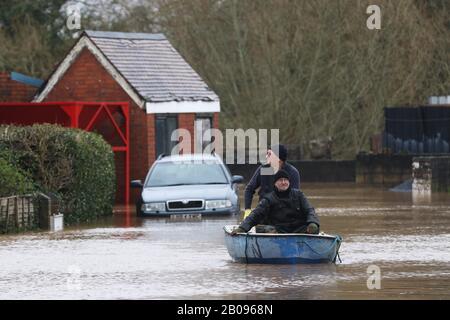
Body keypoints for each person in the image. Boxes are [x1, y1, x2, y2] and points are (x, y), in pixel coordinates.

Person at [232, 169, 319, 235]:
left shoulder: (299, 195)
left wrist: (313, 223)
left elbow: (310, 210)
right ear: (275, 183)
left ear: (289, 182)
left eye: (286, 180)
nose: (283, 182)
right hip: (278, 231)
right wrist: (242, 228)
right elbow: (255, 215)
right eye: (280, 180)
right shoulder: (268, 199)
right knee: (266, 229)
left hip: (297, 229)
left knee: (313, 229)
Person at [243, 144, 300, 218]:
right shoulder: (264, 169)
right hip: (263, 212)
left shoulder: (292, 172)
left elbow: (294, 198)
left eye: (270, 154)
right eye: (267, 153)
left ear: (278, 159)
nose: (266, 156)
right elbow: (249, 189)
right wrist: (247, 210)